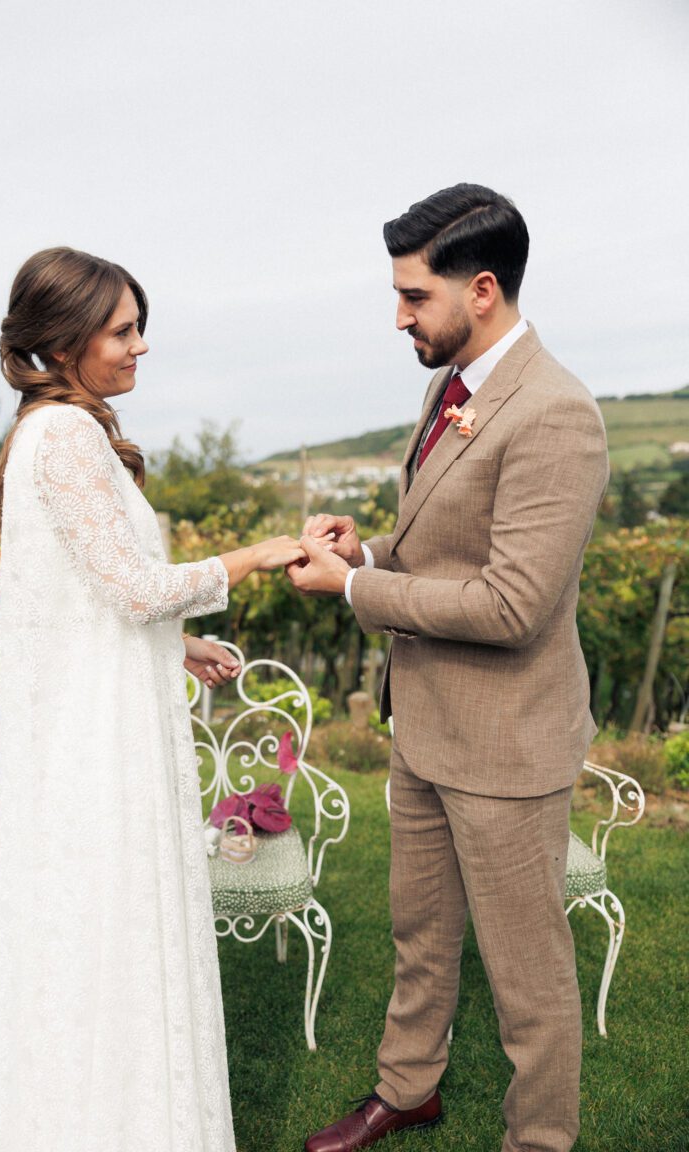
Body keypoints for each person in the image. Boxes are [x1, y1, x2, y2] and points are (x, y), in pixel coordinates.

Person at [0, 247, 304, 1152]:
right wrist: (253, 556)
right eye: (122, 330)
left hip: (100, 723)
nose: (139, 348)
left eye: (140, 329)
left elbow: (91, 599)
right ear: (62, 341)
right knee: (107, 935)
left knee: (106, 940)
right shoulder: (63, 437)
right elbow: (133, 588)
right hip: (96, 745)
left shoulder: (62, 433)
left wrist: (180, 643)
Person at [287, 185, 609, 1152]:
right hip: (425, 726)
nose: (398, 318)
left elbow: (511, 606)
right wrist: (375, 551)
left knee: (529, 976)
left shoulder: (558, 414)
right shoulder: (448, 387)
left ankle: (538, 1140)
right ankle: (408, 1090)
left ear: (480, 289)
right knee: (419, 937)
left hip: (509, 744)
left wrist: (351, 591)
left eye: (412, 298)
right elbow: (447, 546)